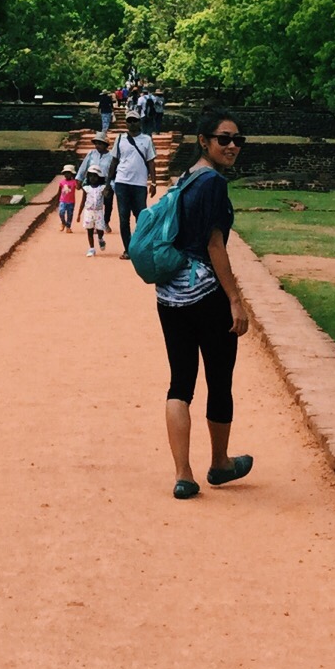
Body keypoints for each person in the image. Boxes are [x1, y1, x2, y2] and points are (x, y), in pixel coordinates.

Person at [160, 111, 252, 500]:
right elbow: (215, 245)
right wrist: (235, 299)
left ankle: (183, 474)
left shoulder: (186, 178)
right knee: (219, 378)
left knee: (180, 383)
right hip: (206, 293)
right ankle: (219, 462)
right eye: (223, 139)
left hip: (170, 293)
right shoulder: (213, 182)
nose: (232, 146)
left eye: (237, 140)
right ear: (204, 140)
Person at [112, 121, 155, 256]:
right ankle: (128, 249)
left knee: (141, 217)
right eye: (129, 120)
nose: (132, 123)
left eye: (134, 120)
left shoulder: (147, 139)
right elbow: (114, 161)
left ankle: (140, 247)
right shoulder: (120, 139)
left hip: (139, 183)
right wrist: (108, 183)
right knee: (124, 217)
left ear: (139, 122)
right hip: (122, 181)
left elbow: (151, 161)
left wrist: (153, 182)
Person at [80, 167, 114, 256]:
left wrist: (108, 188)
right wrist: (79, 213)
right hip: (88, 211)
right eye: (90, 176)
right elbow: (83, 201)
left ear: (99, 177)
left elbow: (107, 195)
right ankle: (91, 248)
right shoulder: (86, 188)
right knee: (90, 230)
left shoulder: (102, 188)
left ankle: (100, 238)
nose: (92, 178)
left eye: (95, 176)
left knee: (100, 229)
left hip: (98, 212)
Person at [53, 163, 79, 232]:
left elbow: (78, 188)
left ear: (72, 174)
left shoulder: (74, 182)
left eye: (68, 173)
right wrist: (57, 201)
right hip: (63, 200)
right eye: (65, 173)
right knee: (61, 212)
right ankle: (63, 222)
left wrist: (78, 180)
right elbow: (59, 192)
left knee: (70, 214)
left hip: (71, 201)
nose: (67, 175)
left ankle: (68, 226)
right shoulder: (62, 182)